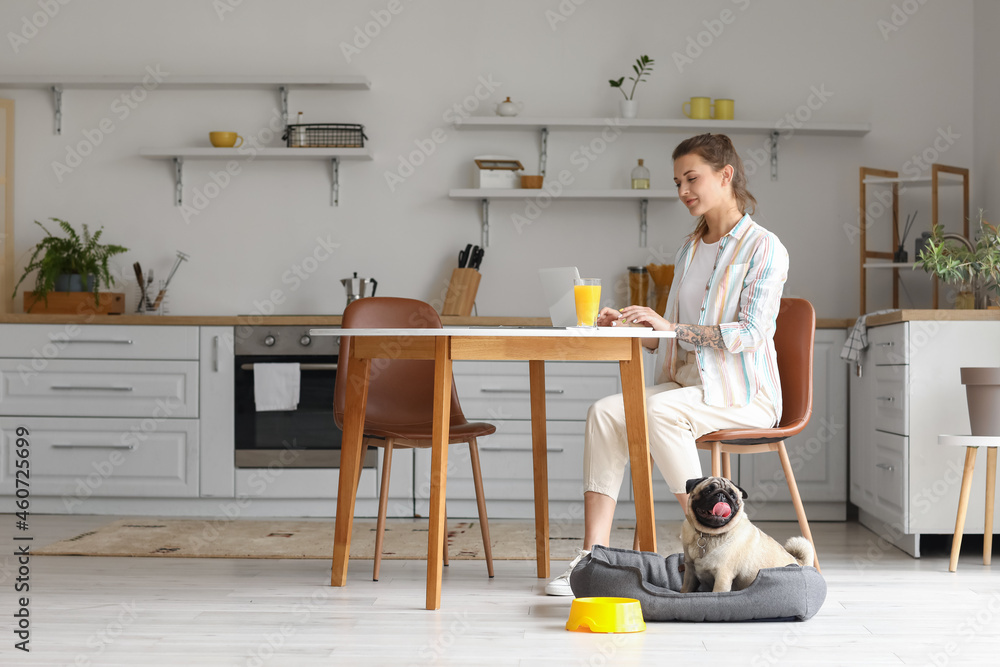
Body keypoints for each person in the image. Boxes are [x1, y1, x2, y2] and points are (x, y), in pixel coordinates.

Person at [545, 133, 789, 595]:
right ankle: (589, 561)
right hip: (689, 388)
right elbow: (673, 334)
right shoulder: (690, 248)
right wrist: (635, 326)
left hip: (744, 396)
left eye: (692, 178)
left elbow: (752, 333)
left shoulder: (764, 248)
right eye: (678, 181)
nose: (683, 191)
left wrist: (671, 328)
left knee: (656, 411)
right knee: (605, 412)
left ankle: (718, 536)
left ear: (726, 175)